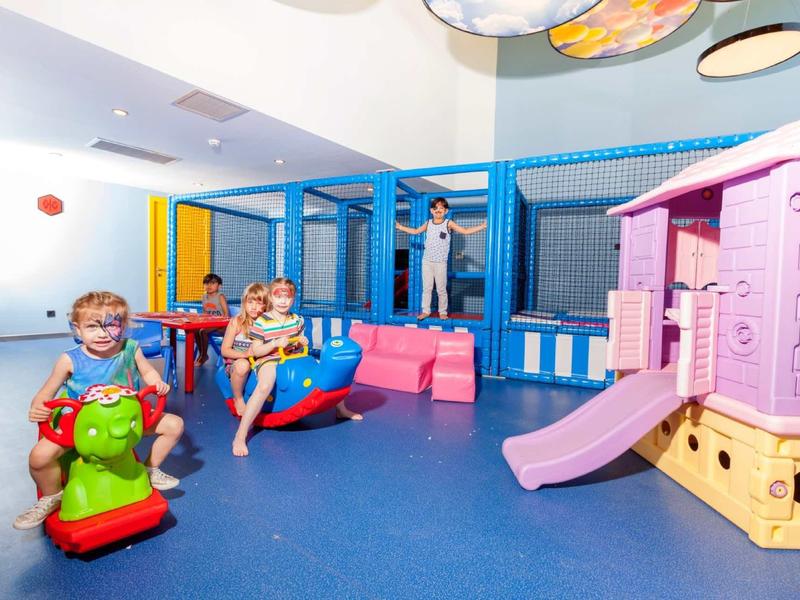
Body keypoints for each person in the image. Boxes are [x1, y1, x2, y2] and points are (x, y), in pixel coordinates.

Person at [13, 291, 184, 530]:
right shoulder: (69, 360)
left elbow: (147, 372)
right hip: (83, 427)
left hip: (127, 419)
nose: (103, 334)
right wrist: (37, 408)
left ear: (123, 326)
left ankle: (151, 468)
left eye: (111, 325)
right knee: (39, 458)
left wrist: (156, 382)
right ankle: (51, 496)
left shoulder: (130, 348)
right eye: (93, 326)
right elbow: (45, 393)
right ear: (77, 329)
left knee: (174, 425)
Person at [231, 277, 361, 457]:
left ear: (293, 299)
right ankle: (241, 434)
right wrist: (275, 344)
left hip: (294, 358)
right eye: (278, 296)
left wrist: (301, 341)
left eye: (288, 297)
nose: (283, 301)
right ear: (271, 297)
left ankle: (341, 408)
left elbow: (297, 345)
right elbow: (256, 350)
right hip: (269, 359)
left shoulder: (297, 320)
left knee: (323, 371)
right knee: (265, 385)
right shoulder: (262, 322)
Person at [395, 197, 487, 320]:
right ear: (431, 211)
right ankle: (426, 311)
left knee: (441, 289)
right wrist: (400, 227)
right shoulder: (428, 223)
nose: (438, 210)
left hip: (440, 262)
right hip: (427, 261)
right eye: (436, 208)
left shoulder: (448, 223)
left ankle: (442, 311)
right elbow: (416, 231)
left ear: (446, 211)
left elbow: (465, 231)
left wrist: (481, 226)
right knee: (427, 288)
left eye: (441, 208)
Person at [219, 282, 269, 418]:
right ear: (244, 302)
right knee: (243, 365)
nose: (254, 307)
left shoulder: (267, 324)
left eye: (259, 303)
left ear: (266, 306)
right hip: (237, 362)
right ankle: (238, 398)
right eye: (250, 302)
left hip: (260, 363)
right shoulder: (237, 322)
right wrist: (244, 354)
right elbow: (225, 350)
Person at [195, 273, 229, 366]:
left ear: (219, 286)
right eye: (206, 283)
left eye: (212, 283)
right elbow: (205, 313)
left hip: (223, 325)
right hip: (210, 325)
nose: (209, 286)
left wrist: (220, 323)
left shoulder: (220, 296)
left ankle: (204, 356)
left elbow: (227, 314)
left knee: (203, 331)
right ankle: (202, 353)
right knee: (195, 330)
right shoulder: (204, 297)